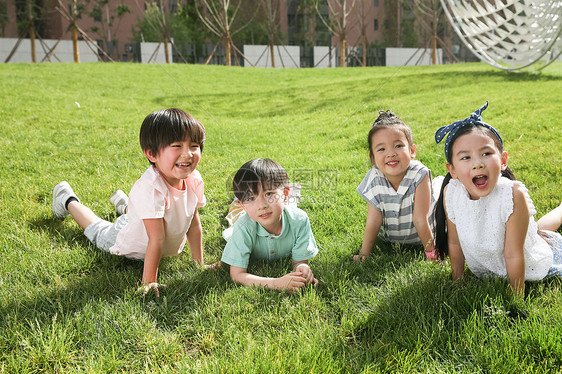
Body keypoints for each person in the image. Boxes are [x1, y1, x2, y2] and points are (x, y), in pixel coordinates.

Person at [52, 108, 210, 297]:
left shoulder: (193, 179)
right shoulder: (151, 188)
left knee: (145, 212)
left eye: (194, 146)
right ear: (152, 154)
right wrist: (149, 282)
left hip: (145, 219)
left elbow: (194, 224)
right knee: (97, 228)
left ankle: (125, 204)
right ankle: (67, 199)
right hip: (126, 239)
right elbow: (156, 239)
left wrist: (199, 264)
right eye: (176, 146)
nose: (188, 154)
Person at [434, 102, 562, 296]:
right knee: (538, 230)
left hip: (522, 259)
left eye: (486, 153)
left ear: (503, 160)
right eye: (465, 157)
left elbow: (513, 254)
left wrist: (516, 297)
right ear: (452, 169)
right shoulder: (452, 192)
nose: (478, 164)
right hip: (486, 265)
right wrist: (457, 280)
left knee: (538, 236)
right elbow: (454, 242)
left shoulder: (511, 195)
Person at [220, 158, 319, 293]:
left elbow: (299, 261)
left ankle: (285, 194)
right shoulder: (242, 228)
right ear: (243, 205)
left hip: (283, 208)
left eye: (268, 194)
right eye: (251, 198)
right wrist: (276, 283)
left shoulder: (299, 220)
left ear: (284, 194)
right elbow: (237, 275)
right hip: (243, 220)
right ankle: (236, 202)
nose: (262, 205)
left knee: (288, 208)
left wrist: (302, 270)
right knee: (235, 215)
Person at [354, 110, 439, 261]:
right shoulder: (374, 178)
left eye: (398, 146)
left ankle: (440, 186)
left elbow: (420, 218)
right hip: (390, 239)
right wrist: (364, 254)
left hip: (420, 237)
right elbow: (373, 220)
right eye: (381, 149)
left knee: (439, 194)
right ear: (372, 158)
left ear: (412, 151)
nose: (391, 153)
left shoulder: (419, 174)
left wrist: (431, 253)